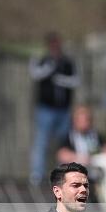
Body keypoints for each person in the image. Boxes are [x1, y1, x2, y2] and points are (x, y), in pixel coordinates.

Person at [29, 32, 79, 186]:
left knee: (63, 144)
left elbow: (76, 80)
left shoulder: (68, 62)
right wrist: (50, 68)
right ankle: (36, 175)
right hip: (46, 109)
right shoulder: (42, 60)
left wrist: (61, 80)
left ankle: (61, 176)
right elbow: (35, 74)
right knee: (41, 142)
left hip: (63, 110)